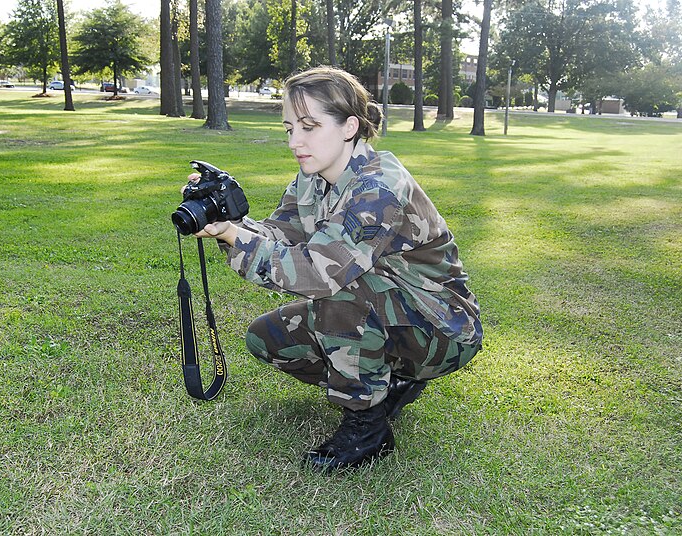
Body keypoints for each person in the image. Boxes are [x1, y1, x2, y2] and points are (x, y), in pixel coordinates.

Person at [190, 66, 482, 471]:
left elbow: (320, 272)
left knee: (338, 294)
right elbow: (285, 230)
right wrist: (230, 225)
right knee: (267, 339)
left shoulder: (379, 186)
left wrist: (239, 240)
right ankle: (390, 385)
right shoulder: (312, 177)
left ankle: (366, 428)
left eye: (309, 127)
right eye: (290, 128)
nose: (295, 141)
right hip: (393, 314)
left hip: (442, 329)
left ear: (349, 127)